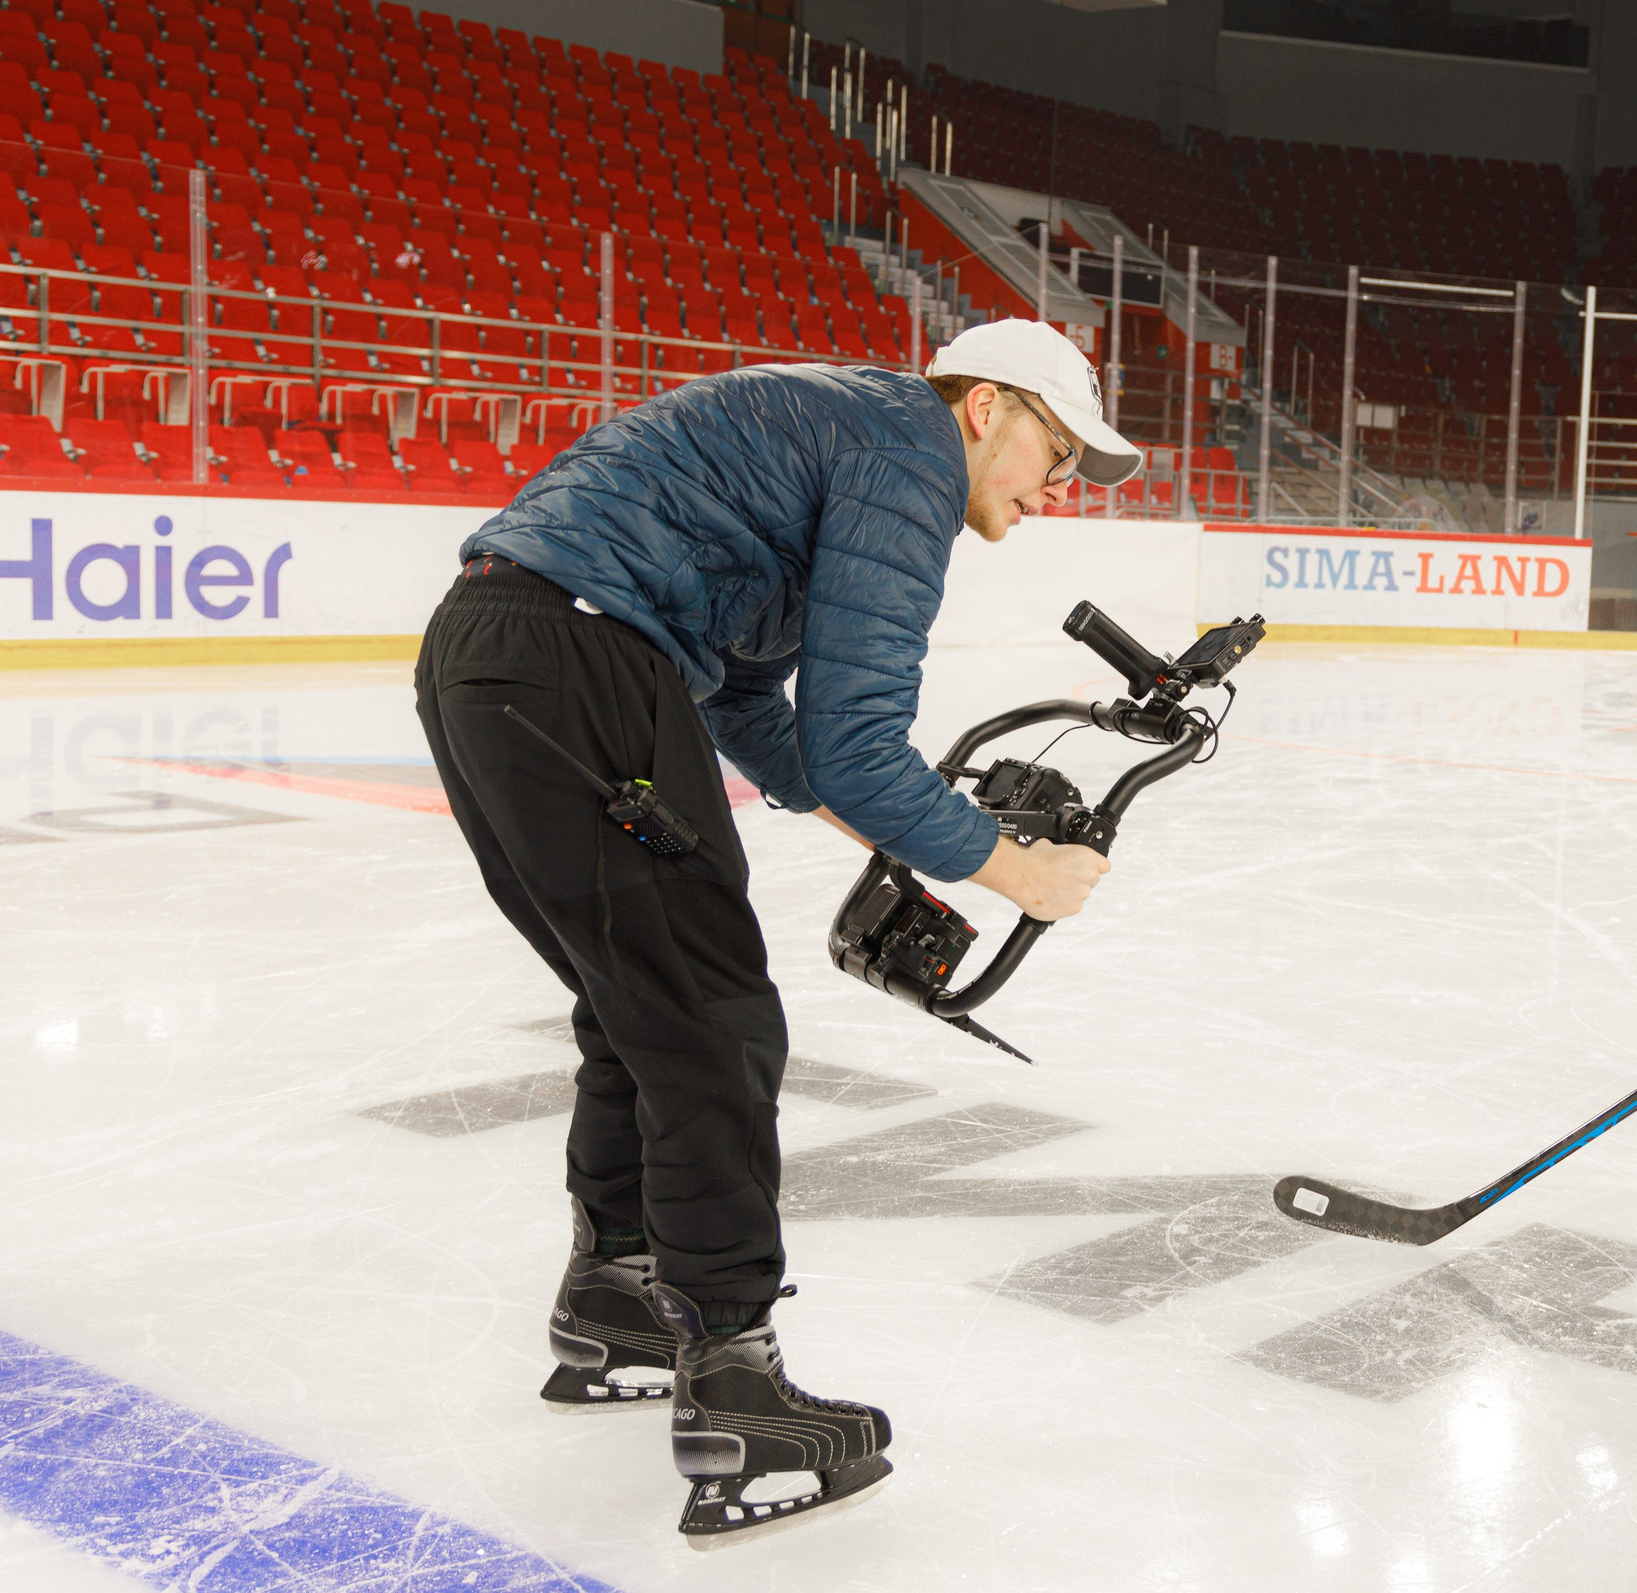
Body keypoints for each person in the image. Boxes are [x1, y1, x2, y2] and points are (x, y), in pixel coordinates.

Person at [412, 319, 1141, 1539]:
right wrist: (1015, 868)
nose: (1059, 487)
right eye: (1056, 450)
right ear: (983, 409)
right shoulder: (906, 454)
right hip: (584, 658)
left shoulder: (841, 427)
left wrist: (882, 825)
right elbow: (858, 738)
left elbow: (750, 691)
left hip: (490, 652)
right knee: (709, 1018)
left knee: (637, 998)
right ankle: (738, 1393)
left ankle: (617, 1305)